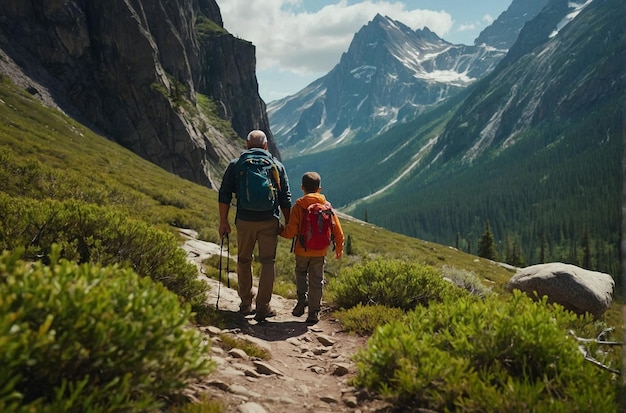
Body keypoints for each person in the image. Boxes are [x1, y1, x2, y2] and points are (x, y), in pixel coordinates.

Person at [218, 130, 291, 322]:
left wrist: (223, 221)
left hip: (245, 220)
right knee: (267, 262)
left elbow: (224, 194)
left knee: (244, 260)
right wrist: (289, 223)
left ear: (247, 144)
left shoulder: (236, 165)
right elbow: (285, 197)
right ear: (266, 145)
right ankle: (263, 307)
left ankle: (245, 304)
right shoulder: (276, 165)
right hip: (269, 220)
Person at [280, 171, 344, 324]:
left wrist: (279, 230)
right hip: (320, 251)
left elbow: (291, 232)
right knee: (317, 280)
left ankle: (302, 299)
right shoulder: (327, 206)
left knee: (301, 273)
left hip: (302, 249)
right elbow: (338, 231)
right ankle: (313, 313)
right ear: (319, 189)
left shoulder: (298, 207)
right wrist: (339, 248)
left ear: (302, 187)